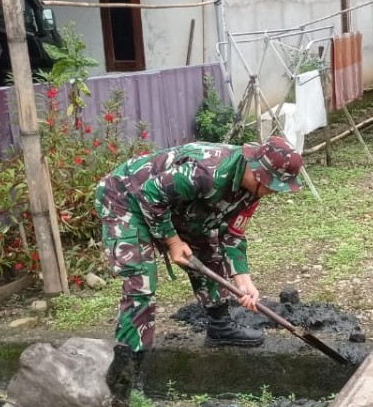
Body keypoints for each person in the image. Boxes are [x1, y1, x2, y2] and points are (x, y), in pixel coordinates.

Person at [95, 136, 304, 381]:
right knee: (141, 280)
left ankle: (220, 326)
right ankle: (126, 371)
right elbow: (150, 194)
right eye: (271, 184)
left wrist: (243, 278)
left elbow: (233, 233)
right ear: (255, 170)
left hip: (175, 204)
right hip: (125, 196)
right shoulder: (206, 172)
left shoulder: (253, 191)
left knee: (207, 247)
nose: (272, 191)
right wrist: (173, 242)